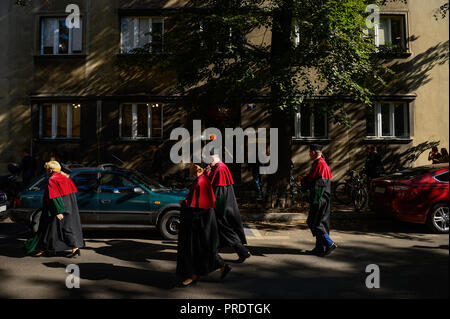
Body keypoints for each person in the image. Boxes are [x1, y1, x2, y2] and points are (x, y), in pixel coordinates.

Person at [176, 163, 232, 287]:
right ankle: (221, 267)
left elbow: (195, 204)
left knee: (196, 247)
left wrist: (184, 203)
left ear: (197, 169)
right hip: (204, 219)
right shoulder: (202, 180)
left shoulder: (200, 181)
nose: (189, 169)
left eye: (192, 166)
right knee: (203, 248)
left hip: (201, 219)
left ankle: (192, 275)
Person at [24, 161, 84, 258]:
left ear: (50, 169)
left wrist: (58, 211)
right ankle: (53, 249)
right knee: (59, 229)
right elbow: (71, 194)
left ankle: (46, 249)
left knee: (50, 228)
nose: (46, 171)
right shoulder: (64, 178)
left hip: (56, 208)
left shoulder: (53, 179)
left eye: (47, 169)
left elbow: (55, 197)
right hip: (68, 207)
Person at [206, 154, 251, 263]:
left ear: (214, 158)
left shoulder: (220, 169)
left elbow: (220, 192)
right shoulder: (218, 168)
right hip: (223, 205)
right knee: (219, 230)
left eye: (209, 160)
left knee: (225, 230)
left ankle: (243, 252)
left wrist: (215, 207)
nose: (208, 163)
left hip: (222, 206)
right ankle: (212, 254)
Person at [300, 144, 337, 257]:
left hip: (320, 199)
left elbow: (318, 184)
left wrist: (304, 181)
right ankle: (319, 248)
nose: (308, 154)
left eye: (310, 152)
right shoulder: (318, 163)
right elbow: (314, 179)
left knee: (317, 223)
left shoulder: (320, 164)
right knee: (316, 222)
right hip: (320, 198)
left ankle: (330, 243)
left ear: (314, 152)